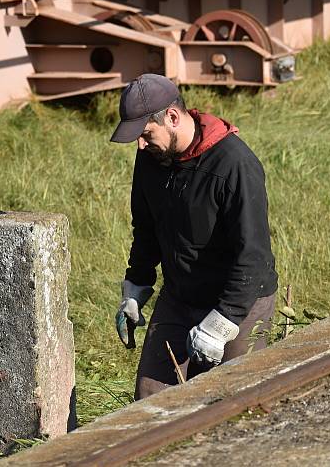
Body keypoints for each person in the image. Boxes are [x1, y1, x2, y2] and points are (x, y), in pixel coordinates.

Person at [110, 73, 278, 400]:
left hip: (241, 299)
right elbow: (146, 228)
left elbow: (253, 259)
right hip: (181, 295)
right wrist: (135, 287)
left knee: (230, 399)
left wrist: (221, 325)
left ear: (172, 117)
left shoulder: (234, 165)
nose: (140, 145)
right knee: (151, 399)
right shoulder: (152, 158)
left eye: (146, 134)